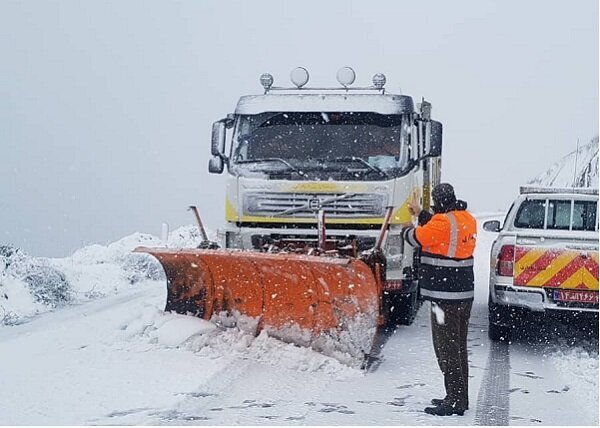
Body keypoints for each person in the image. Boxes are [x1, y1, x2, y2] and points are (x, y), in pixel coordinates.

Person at [402, 183, 477, 416]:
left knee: (446, 348)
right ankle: (458, 396)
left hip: (444, 299)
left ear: (439, 202)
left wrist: (407, 224)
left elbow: (414, 238)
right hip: (463, 296)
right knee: (458, 347)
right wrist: (422, 214)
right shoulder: (466, 218)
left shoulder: (442, 223)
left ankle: (454, 401)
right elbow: (441, 231)